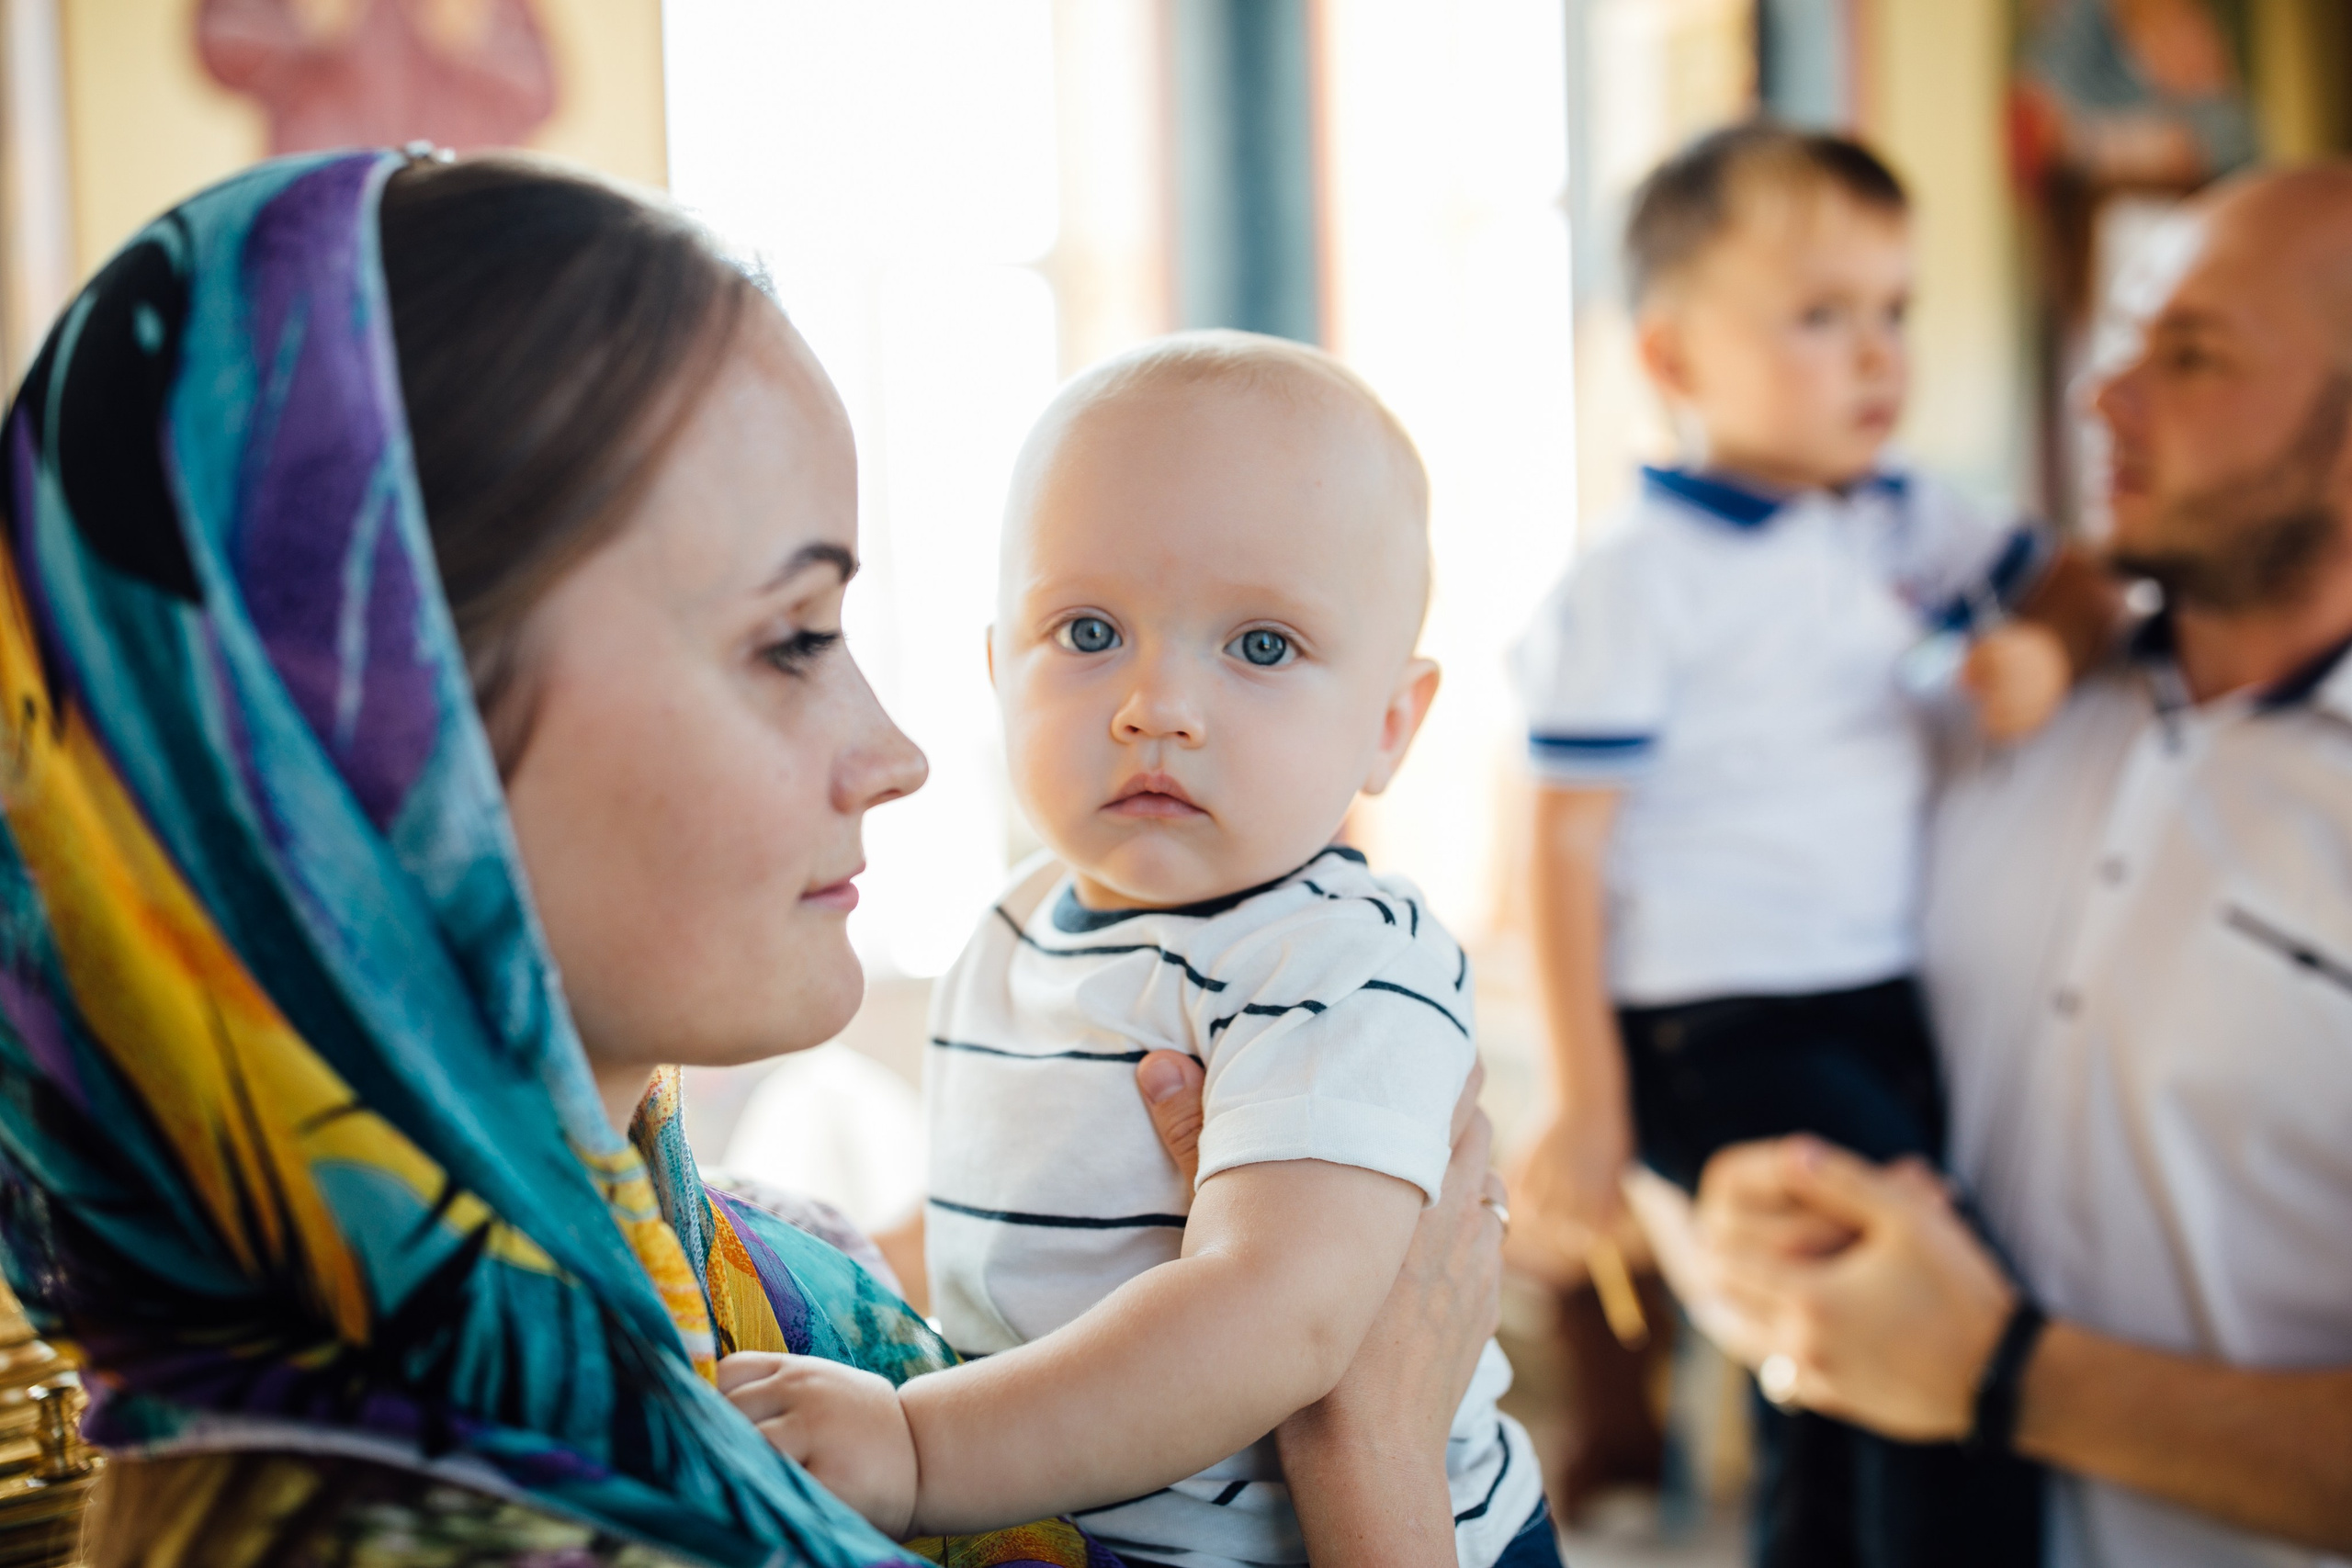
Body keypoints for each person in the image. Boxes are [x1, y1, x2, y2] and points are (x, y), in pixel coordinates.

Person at [0, 148, 1505, 1564]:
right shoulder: (492, 1505)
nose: (899, 755)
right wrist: (1367, 1453)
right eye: (788, 641)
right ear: (386, 743)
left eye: (1262, 646)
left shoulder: (746, 1296)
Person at [717, 333, 1555, 1568]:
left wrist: (916, 1444)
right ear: (998, 668)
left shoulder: (1341, 962)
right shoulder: (1011, 936)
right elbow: (1004, 1246)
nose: (1155, 704)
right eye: (1090, 630)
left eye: (1261, 645)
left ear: (1390, 724)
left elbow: (1284, 1317)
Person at [1684, 164, 2352, 1568]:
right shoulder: (1978, 715)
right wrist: (1732, 1230)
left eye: (2192, 356)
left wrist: (2004, 1378)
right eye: (2122, 345)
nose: (2104, 400)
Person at [1510, 122, 2109, 1567]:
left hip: (1873, 1002)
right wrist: (1589, 1107)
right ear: (1674, 361)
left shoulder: (1907, 515)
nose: (1877, 355)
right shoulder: (1638, 580)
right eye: (1819, 317)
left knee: (1820, 1379)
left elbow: (2080, 583)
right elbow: (1563, 850)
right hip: (1717, 1026)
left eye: (1894, 311)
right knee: (1932, 1327)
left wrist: (2045, 649)